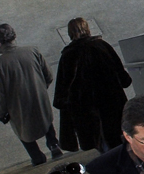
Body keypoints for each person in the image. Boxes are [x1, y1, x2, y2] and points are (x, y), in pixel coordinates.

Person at [53, 17, 132, 152]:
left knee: (99, 142)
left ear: (70, 33)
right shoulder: (102, 46)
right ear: (87, 29)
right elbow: (123, 77)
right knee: (116, 137)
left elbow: (62, 90)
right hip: (111, 104)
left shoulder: (68, 56)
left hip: (85, 111)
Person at [0, 24, 62, 164]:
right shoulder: (32, 51)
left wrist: (2, 113)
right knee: (46, 121)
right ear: (14, 36)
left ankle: (37, 157)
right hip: (38, 97)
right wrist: (41, 88)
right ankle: (53, 144)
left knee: (23, 131)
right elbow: (48, 75)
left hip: (17, 107)